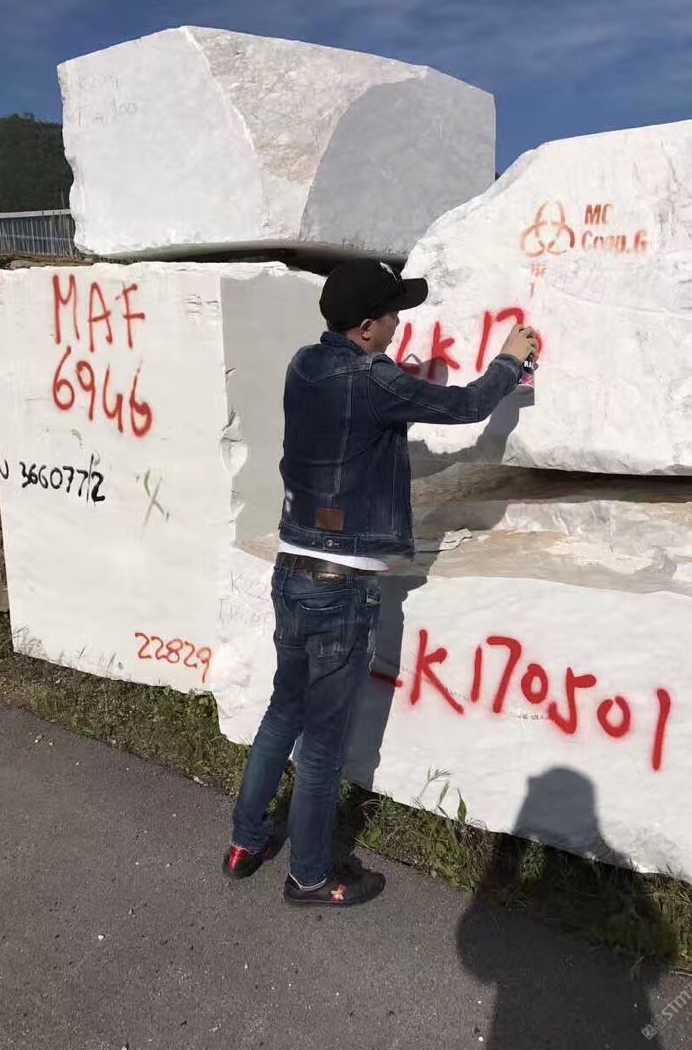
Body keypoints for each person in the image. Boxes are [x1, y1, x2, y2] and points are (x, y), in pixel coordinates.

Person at [223, 258, 539, 908]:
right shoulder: (374, 380)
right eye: (393, 314)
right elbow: (467, 405)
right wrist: (510, 360)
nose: (399, 323)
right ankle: (310, 877)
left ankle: (245, 841)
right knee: (322, 747)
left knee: (283, 712)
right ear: (366, 327)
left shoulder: (304, 365)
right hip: (341, 586)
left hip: (293, 568)